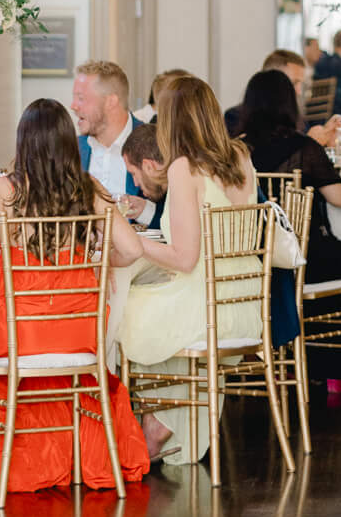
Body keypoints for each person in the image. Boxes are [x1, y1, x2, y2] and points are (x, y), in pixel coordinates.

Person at [0, 98, 151, 492]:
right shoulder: (88, 188)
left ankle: (7, 462)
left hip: (18, 331)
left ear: (24, 142)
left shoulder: (6, 190)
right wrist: (96, 260)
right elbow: (134, 249)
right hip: (77, 329)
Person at [118, 75, 265, 464]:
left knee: (120, 310)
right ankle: (159, 421)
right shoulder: (240, 156)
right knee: (146, 307)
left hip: (209, 308)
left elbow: (184, 258)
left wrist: (134, 244)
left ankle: (154, 423)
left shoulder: (185, 167)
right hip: (245, 303)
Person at [239, 67, 341, 396]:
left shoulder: (236, 149)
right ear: (289, 103)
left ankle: (257, 361)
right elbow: (339, 198)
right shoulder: (304, 148)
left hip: (249, 258)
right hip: (300, 255)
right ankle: (334, 369)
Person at [225, 48, 341, 146]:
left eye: (301, 84)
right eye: (293, 83)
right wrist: (308, 143)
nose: (299, 91)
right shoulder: (236, 117)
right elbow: (263, 161)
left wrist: (326, 137)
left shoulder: (298, 118)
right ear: (273, 79)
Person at [71, 59, 133, 191]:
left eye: (81, 98)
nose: (73, 106)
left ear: (111, 101)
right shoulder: (71, 150)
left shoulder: (157, 145)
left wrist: (146, 209)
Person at [121, 121, 169, 228]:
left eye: (133, 174)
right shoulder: (144, 192)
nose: (135, 183)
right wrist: (143, 211)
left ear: (148, 166)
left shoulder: (185, 185)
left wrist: (148, 212)